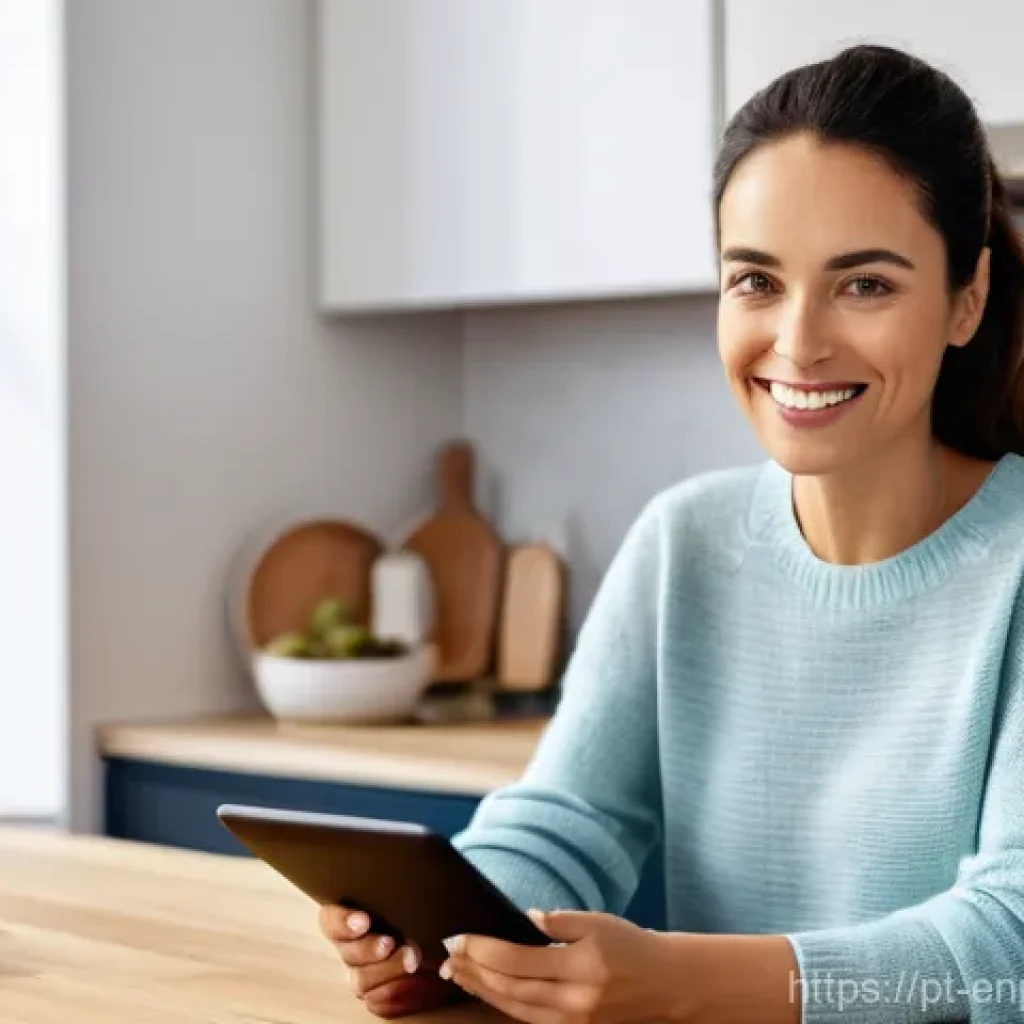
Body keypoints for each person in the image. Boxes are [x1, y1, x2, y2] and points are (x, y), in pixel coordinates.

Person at [320, 43, 1024, 1023]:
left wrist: (682, 981)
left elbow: (1006, 948)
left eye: (864, 284)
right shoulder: (683, 539)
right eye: (756, 280)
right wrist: (452, 926)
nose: (798, 339)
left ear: (966, 298)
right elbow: (567, 820)